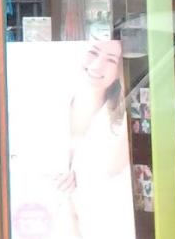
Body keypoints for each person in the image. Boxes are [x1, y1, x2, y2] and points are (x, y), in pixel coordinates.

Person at [52, 39, 135, 238]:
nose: (97, 65)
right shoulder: (55, 102)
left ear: (120, 73)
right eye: (93, 52)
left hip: (105, 225)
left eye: (112, 61)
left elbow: (112, 166)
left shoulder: (122, 118)